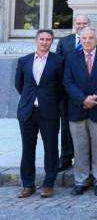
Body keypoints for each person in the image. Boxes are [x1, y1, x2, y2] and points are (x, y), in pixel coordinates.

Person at [63, 27, 97, 196]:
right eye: (84, 38)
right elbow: (67, 82)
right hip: (77, 109)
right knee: (80, 147)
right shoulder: (71, 57)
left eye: (90, 38)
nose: (87, 41)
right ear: (80, 40)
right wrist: (83, 99)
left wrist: (95, 98)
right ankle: (81, 180)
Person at [15, 29, 65, 198]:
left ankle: (48, 184)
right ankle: (28, 185)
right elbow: (19, 85)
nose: (45, 42)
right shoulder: (24, 61)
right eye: (42, 39)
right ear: (36, 40)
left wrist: (49, 100)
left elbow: (61, 87)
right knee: (27, 149)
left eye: (48, 39)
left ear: (52, 42)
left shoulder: (58, 61)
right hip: (27, 111)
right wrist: (31, 99)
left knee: (51, 148)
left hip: (49, 111)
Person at [55, 14, 97, 172]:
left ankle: (90, 159)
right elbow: (59, 66)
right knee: (66, 127)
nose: (81, 25)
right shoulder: (64, 42)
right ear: (74, 24)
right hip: (68, 92)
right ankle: (66, 157)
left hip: (93, 93)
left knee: (91, 129)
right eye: (78, 23)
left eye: (85, 23)